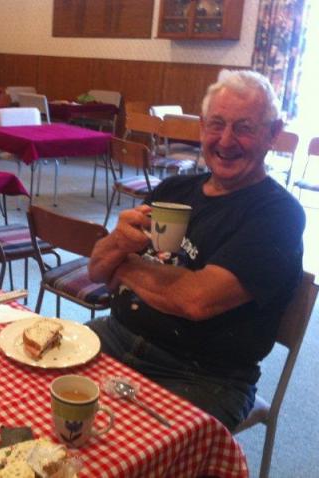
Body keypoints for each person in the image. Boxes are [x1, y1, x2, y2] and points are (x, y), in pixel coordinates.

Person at [87, 69, 305, 430]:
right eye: (216, 124)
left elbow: (196, 300)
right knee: (28, 393)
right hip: (116, 336)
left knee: (136, 457)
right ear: (202, 126)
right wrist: (116, 243)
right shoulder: (173, 189)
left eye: (245, 127)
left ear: (273, 134)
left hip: (202, 375)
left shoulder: (278, 215)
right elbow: (96, 271)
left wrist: (122, 266)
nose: (226, 140)